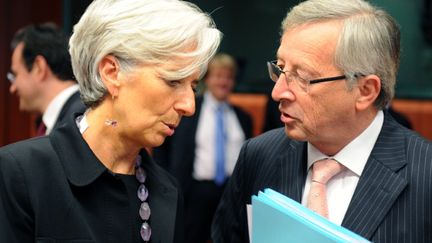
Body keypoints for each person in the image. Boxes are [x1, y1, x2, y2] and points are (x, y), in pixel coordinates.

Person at [0, 0, 221, 242]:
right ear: (111, 73)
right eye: (173, 81)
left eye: (193, 86)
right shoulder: (19, 173)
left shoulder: (167, 190)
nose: (189, 106)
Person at [211, 0, 432, 242]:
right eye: (281, 69)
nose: (278, 92)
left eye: (303, 77)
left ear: (365, 90)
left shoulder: (425, 173)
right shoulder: (258, 156)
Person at [153, 53, 253, 243]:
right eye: (218, 76)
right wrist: (165, 181)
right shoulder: (187, 110)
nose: (223, 82)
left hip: (230, 193)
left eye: (228, 77)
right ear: (207, 79)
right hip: (194, 192)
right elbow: (162, 148)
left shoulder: (243, 117)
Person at [8, 22, 85, 136]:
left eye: (15, 75)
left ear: (39, 67)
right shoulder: (67, 117)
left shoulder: (82, 118)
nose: (12, 88)